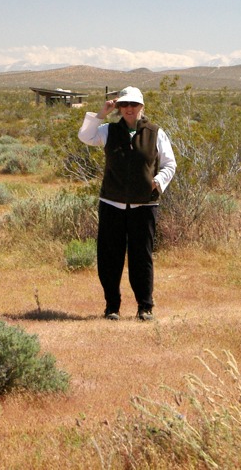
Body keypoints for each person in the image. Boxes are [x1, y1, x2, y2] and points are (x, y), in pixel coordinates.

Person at [78, 86, 176, 321]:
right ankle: (112, 307)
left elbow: (169, 163)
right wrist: (102, 112)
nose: (129, 109)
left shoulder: (155, 132)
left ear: (142, 106)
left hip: (144, 206)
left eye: (133, 105)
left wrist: (157, 182)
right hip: (112, 202)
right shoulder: (108, 131)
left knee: (141, 257)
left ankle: (145, 307)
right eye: (124, 105)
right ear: (119, 107)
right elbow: (85, 136)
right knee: (109, 257)